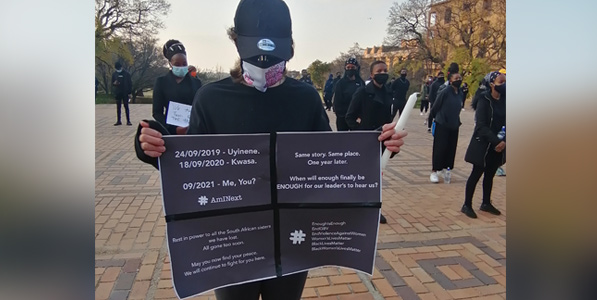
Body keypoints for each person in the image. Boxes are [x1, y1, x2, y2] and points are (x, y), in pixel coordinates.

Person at [134, 0, 407, 298]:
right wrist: (153, 148)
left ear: (289, 48)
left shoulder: (305, 98)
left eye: (273, 52)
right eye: (256, 52)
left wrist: (379, 146)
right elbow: (193, 168)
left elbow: (332, 163)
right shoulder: (211, 98)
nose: (264, 61)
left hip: (291, 240)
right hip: (233, 242)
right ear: (236, 43)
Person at [345, 60, 394, 224]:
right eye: (379, 71)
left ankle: (375, 208)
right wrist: (361, 133)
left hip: (382, 140)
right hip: (366, 141)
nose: (383, 73)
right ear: (372, 74)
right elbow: (349, 117)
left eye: (385, 70)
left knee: (377, 177)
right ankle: (357, 206)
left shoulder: (388, 92)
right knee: (362, 176)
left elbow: (389, 116)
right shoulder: (362, 92)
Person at [461, 71, 506, 218]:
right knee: (477, 173)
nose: (505, 85)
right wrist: (496, 141)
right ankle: (467, 204)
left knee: (490, 174)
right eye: (501, 82)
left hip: (499, 145)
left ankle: (486, 202)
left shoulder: (506, 100)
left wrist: (504, 141)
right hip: (483, 143)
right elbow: (481, 125)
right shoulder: (484, 100)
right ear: (492, 84)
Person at [152, 39, 203, 135]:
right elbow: (157, 112)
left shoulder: (196, 83)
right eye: (177, 64)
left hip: (193, 130)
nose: (181, 67)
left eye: (184, 64)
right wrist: (172, 129)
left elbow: (200, 108)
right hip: (170, 132)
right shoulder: (161, 82)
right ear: (170, 64)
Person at [429, 66, 463, 183]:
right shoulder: (445, 91)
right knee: (440, 148)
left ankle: (446, 168)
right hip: (442, 122)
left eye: (460, 77)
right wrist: (431, 120)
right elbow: (436, 105)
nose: (459, 79)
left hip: (454, 124)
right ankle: (434, 171)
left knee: (451, 148)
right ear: (451, 80)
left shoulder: (460, 92)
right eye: (456, 78)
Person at [332, 58, 364, 131]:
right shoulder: (340, 83)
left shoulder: (361, 82)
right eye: (348, 67)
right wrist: (341, 115)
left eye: (352, 67)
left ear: (357, 68)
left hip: (356, 118)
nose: (350, 69)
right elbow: (337, 102)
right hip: (343, 117)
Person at [111, 61, 132, 125]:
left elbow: (130, 84)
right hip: (118, 92)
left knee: (126, 106)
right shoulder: (114, 74)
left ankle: (128, 121)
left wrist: (130, 93)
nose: (118, 70)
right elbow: (112, 83)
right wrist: (114, 84)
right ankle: (118, 120)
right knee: (118, 107)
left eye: (119, 68)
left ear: (121, 67)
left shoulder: (126, 74)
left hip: (125, 92)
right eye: (117, 69)